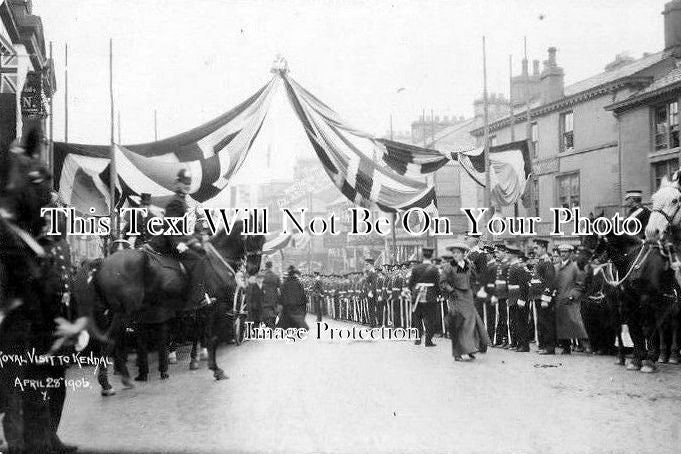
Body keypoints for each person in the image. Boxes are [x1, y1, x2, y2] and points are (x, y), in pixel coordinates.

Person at [440, 241, 491, 361]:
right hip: (456, 297)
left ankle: (469, 349)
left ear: (463, 254)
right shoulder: (449, 267)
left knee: (470, 324)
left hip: (468, 297)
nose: (455, 255)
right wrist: (451, 290)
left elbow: (475, 278)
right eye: (454, 253)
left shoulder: (469, 265)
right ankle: (457, 353)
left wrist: (475, 290)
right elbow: (443, 282)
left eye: (458, 253)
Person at [553, 244, 589, 354]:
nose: (563, 254)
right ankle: (566, 347)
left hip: (571, 300)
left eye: (565, 252)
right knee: (561, 324)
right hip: (559, 300)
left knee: (576, 323)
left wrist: (572, 296)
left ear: (570, 253)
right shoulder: (556, 267)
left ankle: (586, 345)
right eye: (561, 252)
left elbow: (580, 285)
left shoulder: (575, 267)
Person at [408, 247, 440, 347]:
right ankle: (428, 340)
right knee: (430, 319)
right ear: (431, 256)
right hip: (430, 296)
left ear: (423, 256)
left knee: (417, 318)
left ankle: (418, 339)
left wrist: (413, 292)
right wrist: (438, 294)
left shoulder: (416, 268)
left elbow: (410, 284)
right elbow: (437, 284)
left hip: (417, 296)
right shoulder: (434, 269)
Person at [277, 265, 309, 330]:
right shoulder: (298, 283)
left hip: (287, 305)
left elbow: (282, 294)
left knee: (286, 319)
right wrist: (304, 302)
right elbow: (302, 295)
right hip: (297, 305)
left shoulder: (285, 283)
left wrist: (281, 302)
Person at [261, 260, 280, 328]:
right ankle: (272, 324)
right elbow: (279, 287)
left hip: (264, 295)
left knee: (265, 309)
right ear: (271, 266)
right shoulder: (276, 276)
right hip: (274, 296)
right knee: (273, 310)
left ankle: (267, 323)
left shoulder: (262, 276)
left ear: (266, 266)